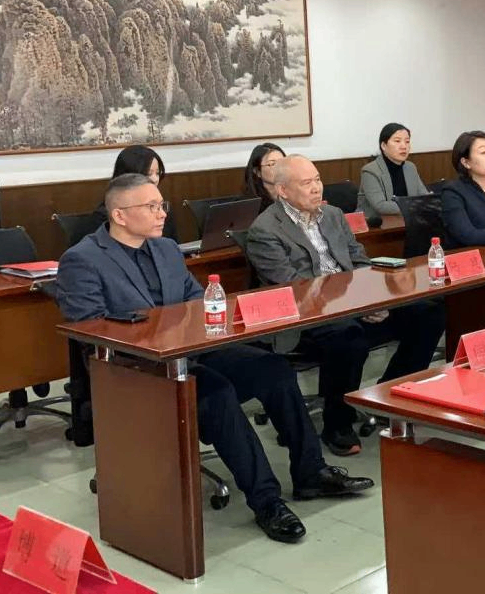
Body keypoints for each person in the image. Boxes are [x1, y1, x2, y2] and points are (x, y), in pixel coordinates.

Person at [56, 174, 372, 544]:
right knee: (216, 392)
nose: (162, 214)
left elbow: (195, 301)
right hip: (136, 367)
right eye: (151, 207)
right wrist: (158, 333)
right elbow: (91, 329)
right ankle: (267, 501)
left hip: (191, 349)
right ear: (120, 215)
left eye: (162, 205)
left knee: (272, 368)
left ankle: (310, 473)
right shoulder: (83, 259)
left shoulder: (166, 248)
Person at [246, 156, 446, 454]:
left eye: (317, 179)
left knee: (429, 312)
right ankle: (337, 423)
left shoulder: (333, 215)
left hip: (353, 304)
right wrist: (357, 305)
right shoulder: (265, 230)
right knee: (348, 337)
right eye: (306, 183)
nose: (316, 188)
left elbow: (360, 262)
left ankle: (389, 395)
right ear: (283, 190)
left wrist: (375, 299)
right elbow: (296, 289)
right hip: (307, 318)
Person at [92, 145, 178, 240]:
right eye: (148, 174)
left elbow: (173, 244)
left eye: (157, 173)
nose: (155, 179)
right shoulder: (104, 217)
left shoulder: (163, 210)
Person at [358, 123, 430, 222]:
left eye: (407, 141)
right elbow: (381, 206)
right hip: (376, 225)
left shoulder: (410, 167)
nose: (404, 146)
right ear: (383, 146)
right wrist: (414, 205)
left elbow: (424, 197)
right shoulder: (370, 171)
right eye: (397, 141)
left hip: (406, 221)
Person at [243, 142, 286, 213]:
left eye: (283, 162)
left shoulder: (294, 195)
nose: (280, 168)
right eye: (272, 164)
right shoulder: (250, 206)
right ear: (257, 172)